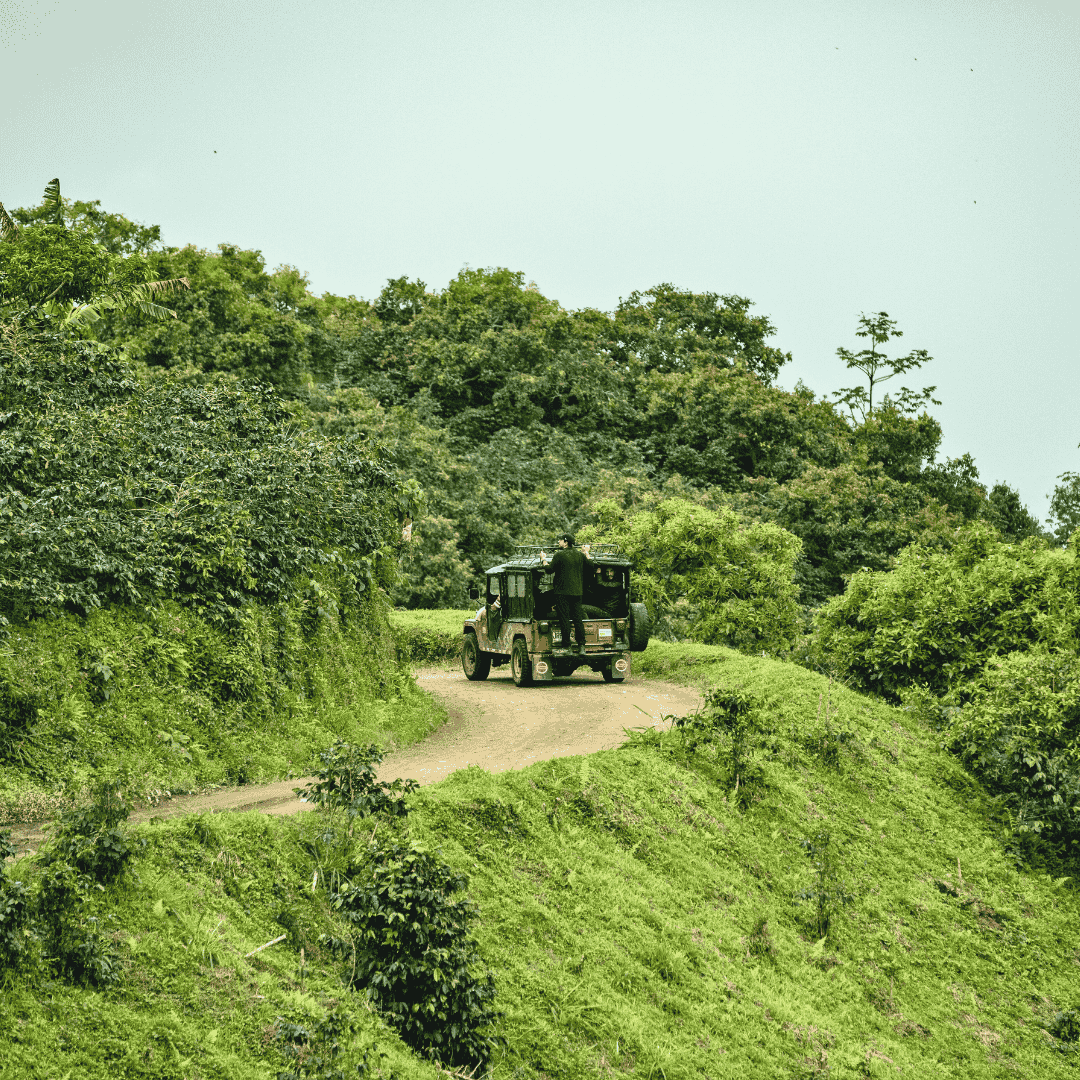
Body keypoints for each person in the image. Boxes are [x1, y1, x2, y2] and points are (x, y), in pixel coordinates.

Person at [540, 534, 592, 652]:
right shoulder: (580, 555)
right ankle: (582, 646)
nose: (559, 542)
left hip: (562, 593)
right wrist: (586, 553)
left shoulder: (559, 555)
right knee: (578, 619)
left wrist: (543, 559)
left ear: (566, 542)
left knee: (564, 619)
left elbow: (549, 570)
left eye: (560, 540)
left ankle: (567, 646)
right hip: (577, 592)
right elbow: (591, 566)